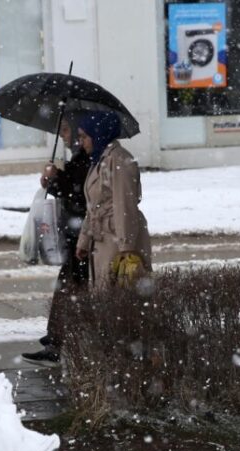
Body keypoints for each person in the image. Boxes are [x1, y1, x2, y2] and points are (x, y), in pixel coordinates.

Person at [21, 114, 90, 367]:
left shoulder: (88, 158)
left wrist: (57, 178)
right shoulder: (82, 157)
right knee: (69, 288)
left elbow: (78, 192)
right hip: (78, 234)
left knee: (72, 289)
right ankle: (57, 337)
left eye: (67, 130)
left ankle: (59, 341)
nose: (64, 135)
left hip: (83, 235)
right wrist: (53, 181)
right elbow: (71, 187)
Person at [74, 111, 152, 291]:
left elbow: (124, 205)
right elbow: (93, 206)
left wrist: (126, 248)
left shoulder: (118, 159)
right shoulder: (99, 160)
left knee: (119, 296)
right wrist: (84, 241)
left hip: (117, 239)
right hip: (104, 238)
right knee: (106, 295)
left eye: (84, 137)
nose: (81, 142)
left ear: (98, 134)